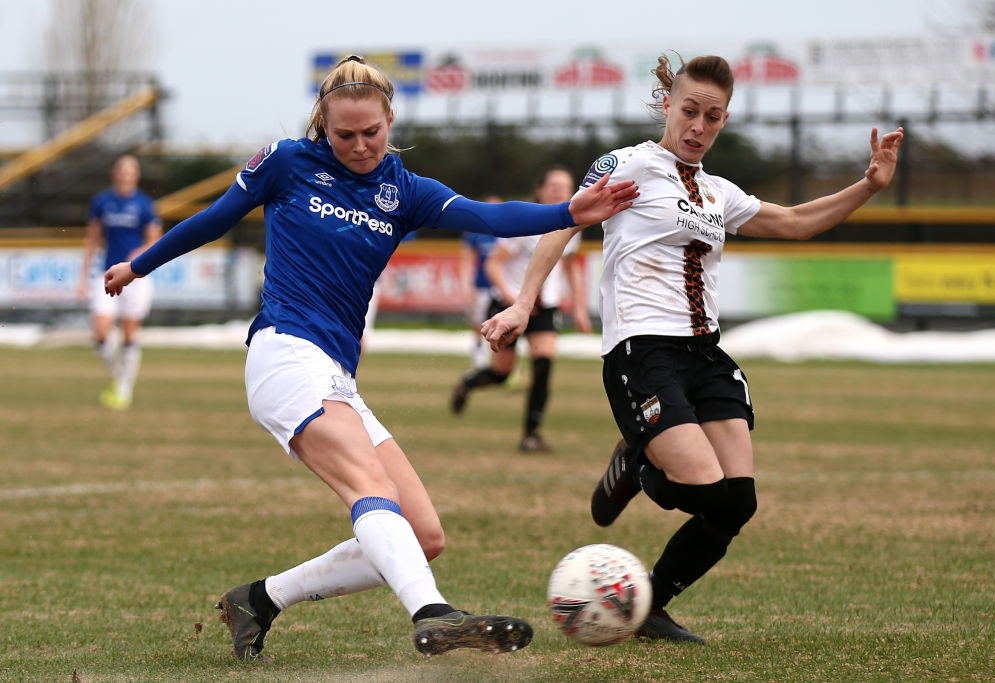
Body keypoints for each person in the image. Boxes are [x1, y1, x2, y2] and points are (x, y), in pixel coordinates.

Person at [103, 55, 637, 662]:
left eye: (371, 133)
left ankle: (260, 599)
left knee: (423, 534)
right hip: (283, 353)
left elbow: (488, 216)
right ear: (322, 127)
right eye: (343, 135)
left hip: (335, 375)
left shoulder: (405, 191)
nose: (358, 146)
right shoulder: (286, 162)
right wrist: (138, 264)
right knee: (369, 486)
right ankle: (432, 613)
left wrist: (568, 213)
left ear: (390, 120)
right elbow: (214, 219)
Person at [482, 53, 903, 643]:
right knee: (699, 488)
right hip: (643, 353)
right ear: (667, 106)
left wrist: (869, 185)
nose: (698, 126)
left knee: (737, 504)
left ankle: (650, 604)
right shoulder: (625, 165)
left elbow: (796, 223)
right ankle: (636, 458)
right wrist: (524, 303)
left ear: (724, 120)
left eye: (713, 116)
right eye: (689, 111)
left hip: (706, 355)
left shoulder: (718, 193)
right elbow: (564, 224)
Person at [450, 166, 592, 453]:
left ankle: (531, 435)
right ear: (540, 190)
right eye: (553, 186)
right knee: (502, 374)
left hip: (546, 308)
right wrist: (513, 299)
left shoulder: (573, 225)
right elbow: (492, 264)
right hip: (509, 306)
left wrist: (579, 307)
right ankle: (469, 382)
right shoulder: (525, 225)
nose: (560, 192)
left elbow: (570, 268)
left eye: (566, 187)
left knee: (544, 366)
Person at [77, 154, 162, 410]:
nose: (125, 174)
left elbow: (155, 240)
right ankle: (119, 378)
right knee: (101, 333)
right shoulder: (102, 202)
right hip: (107, 273)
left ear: (136, 175)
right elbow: (92, 239)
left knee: (128, 334)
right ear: (115, 173)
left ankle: (124, 390)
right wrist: (82, 276)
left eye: (130, 170)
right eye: (121, 169)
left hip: (135, 277)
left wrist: (140, 255)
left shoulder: (145, 205)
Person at [458, 193, 501, 369]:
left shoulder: (509, 232)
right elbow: (467, 261)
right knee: (480, 325)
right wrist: (466, 286)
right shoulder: (475, 233)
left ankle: (502, 364)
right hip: (482, 286)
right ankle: (480, 360)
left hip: (500, 287)